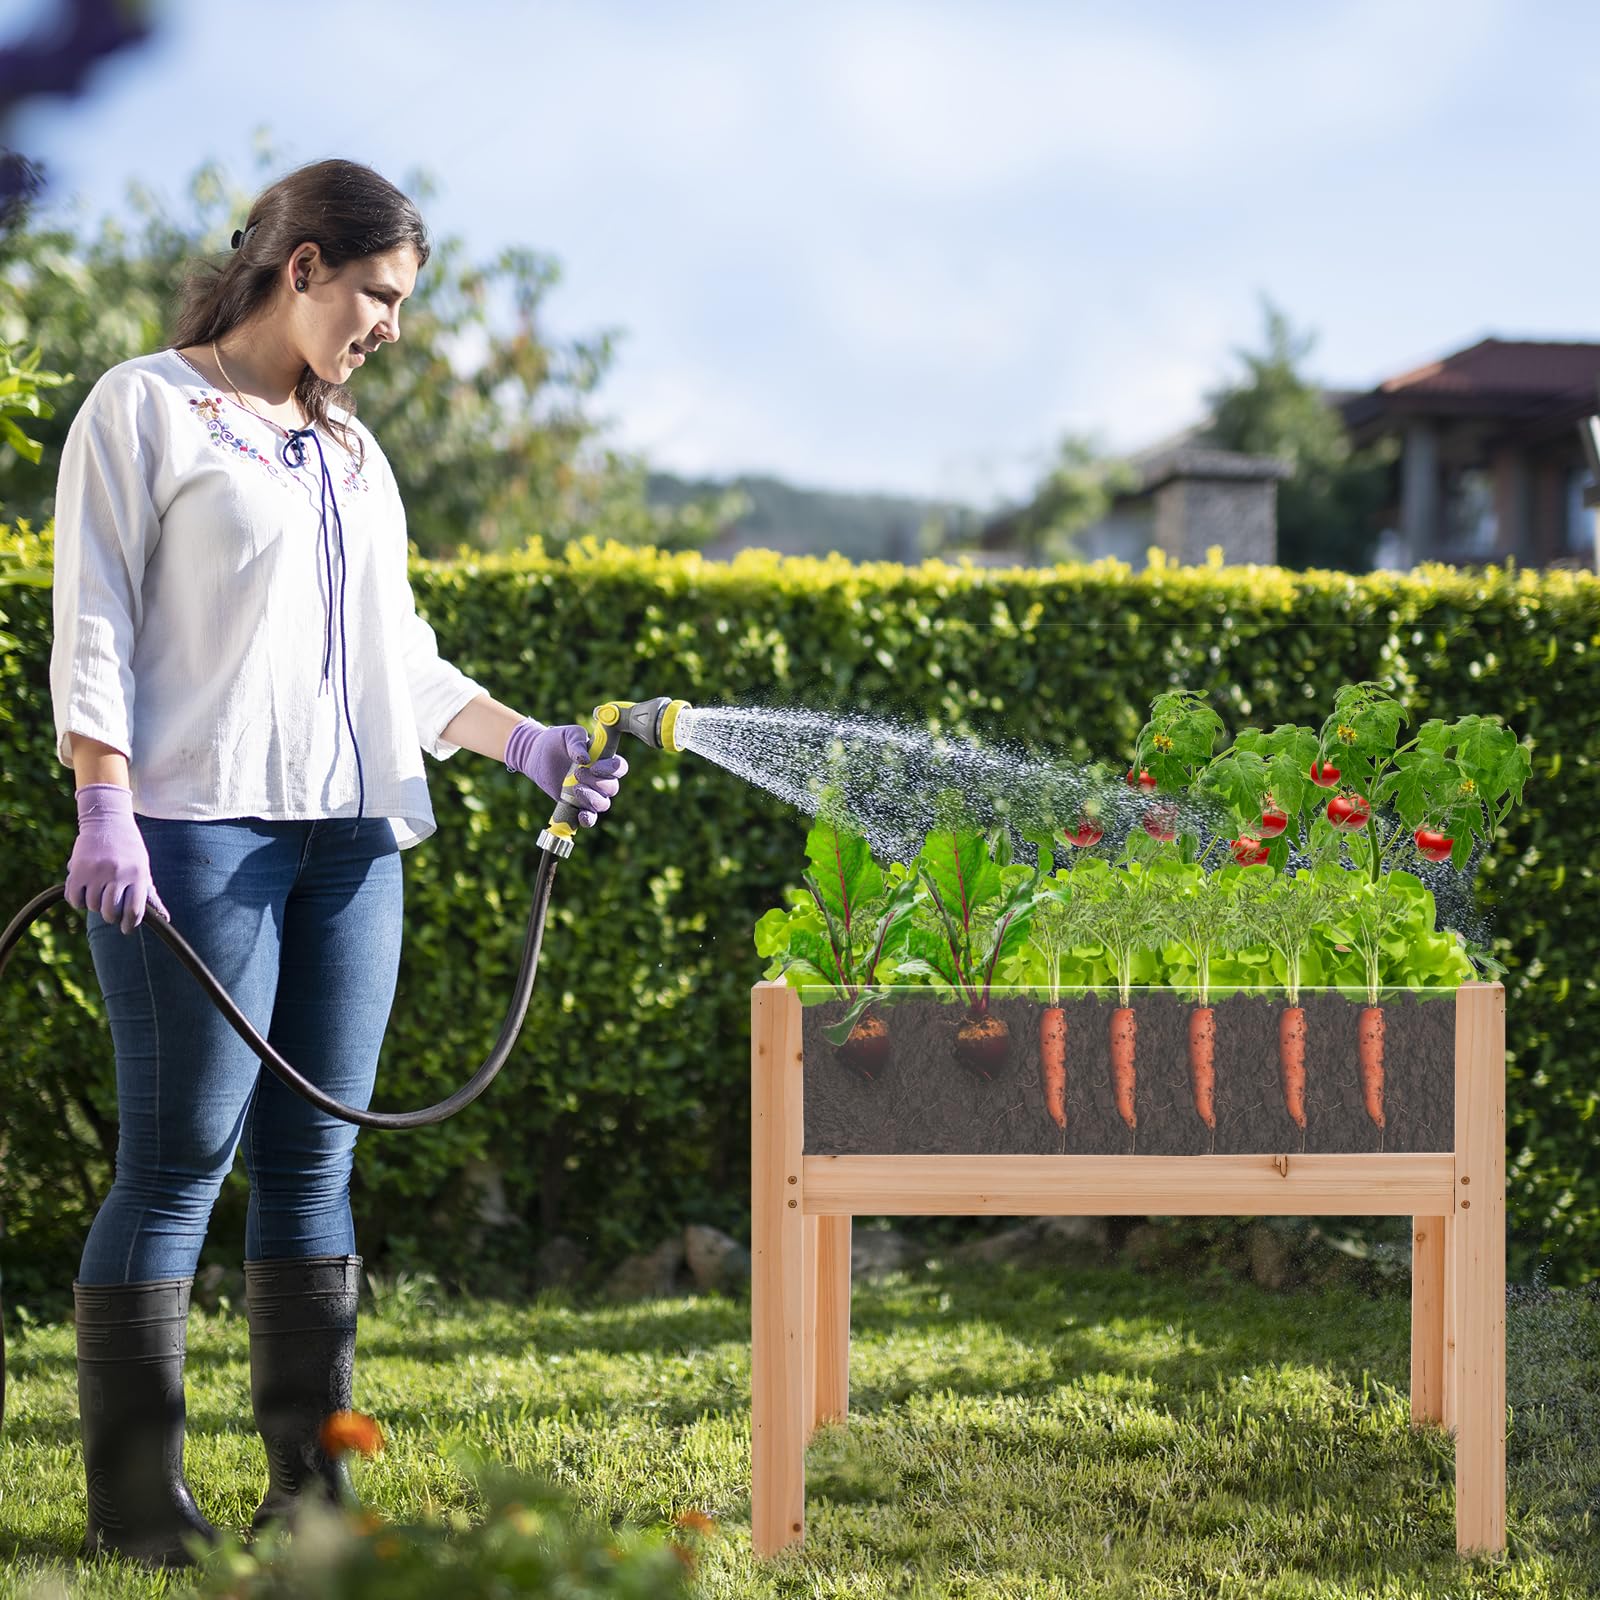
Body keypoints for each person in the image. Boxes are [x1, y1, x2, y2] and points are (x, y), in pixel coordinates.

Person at [48, 157, 626, 1569]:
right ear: (299, 265)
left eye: (400, 304)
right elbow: (98, 621)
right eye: (375, 294)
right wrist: (102, 800)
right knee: (182, 1157)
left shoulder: (354, 454)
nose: (388, 326)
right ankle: (136, 1508)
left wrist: (521, 741)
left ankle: (313, 1493)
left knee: (317, 1164)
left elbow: (403, 659)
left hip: (354, 837)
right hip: (193, 832)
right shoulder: (147, 408)